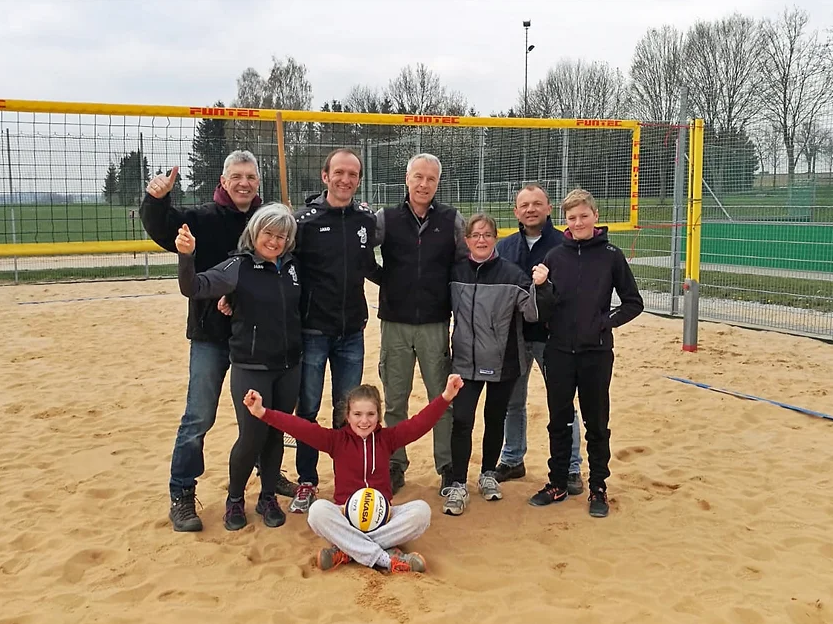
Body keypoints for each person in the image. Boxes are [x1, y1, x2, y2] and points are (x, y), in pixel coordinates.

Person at [141, 150, 295, 532]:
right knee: (199, 416)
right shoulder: (203, 218)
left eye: (251, 177)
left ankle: (267, 475)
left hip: (257, 341)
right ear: (223, 181)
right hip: (212, 335)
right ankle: (182, 492)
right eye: (236, 176)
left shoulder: (268, 221)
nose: (244, 183)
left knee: (265, 416)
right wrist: (156, 200)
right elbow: (165, 230)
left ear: (258, 182)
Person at [243, 374, 465, 573]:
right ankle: (385, 558)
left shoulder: (388, 439)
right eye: (357, 414)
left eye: (370, 414)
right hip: (345, 517)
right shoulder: (336, 440)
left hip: (383, 518)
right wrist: (262, 412)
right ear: (348, 416)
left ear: (378, 416)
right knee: (317, 511)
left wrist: (446, 396)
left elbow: (419, 423)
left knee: (421, 512)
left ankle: (348, 550)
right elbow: (299, 427)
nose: (364, 420)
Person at [175, 203, 301, 530]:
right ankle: (235, 499)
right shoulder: (238, 266)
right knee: (252, 436)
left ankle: (268, 496)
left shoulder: (294, 267)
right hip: (251, 366)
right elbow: (193, 287)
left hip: (289, 366)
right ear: (254, 233)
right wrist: (186, 257)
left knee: (275, 435)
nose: (274, 241)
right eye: (268, 233)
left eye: (281, 236)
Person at [530, 189, 644, 518]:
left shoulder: (611, 255)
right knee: (558, 420)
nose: (578, 222)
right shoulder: (555, 256)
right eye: (571, 218)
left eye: (583, 216)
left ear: (595, 215)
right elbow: (544, 309)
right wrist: (542, 287)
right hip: (559, 351)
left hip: (596, 352)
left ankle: (598, 487)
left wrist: (604, 322)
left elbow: (633, 302)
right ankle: (558, 482)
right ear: (564, 221)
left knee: (596, 422)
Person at [441, 214, 554, 516]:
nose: (481, 240)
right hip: (465, 361)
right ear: (466, 240)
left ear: (495, 238)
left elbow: (533, 313)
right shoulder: (455, 272)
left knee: (495, 418)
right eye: (476, 235)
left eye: (487, 235)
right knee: (462, 420)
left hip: (503, 360)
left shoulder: (512, 274)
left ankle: (488, 474)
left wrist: (541, 286)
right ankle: (457, 483)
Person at [289, 148, 378, 514]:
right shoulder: (304, 221)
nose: (345, 179)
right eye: (339, 172)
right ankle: (307, 480)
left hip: (352, 331)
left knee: (348, 412)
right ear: (325, 176)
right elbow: (283, 269)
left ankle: (349, 480)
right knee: (308, 408)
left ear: (358, 180)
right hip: (313, 330)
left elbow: (370, 267)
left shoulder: (365, 220)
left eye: (352, 174)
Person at [374, 153, 468, 496]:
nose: (424, 184)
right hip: (395, 323)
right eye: (418, 177)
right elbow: (360, 252)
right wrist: (386, 281)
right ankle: (395, 465)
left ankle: (447, 466)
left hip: (434, 323)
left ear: (438, 183)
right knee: (395, 400)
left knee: (440, 399)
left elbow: (463, 264)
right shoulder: (386, 218)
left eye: (431, 179)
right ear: (407, 178)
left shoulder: (451, 219)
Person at [494, 184, 584, 495]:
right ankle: (512, 459)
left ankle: (571, 467)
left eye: (537, 204)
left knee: (562, 403)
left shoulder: (564, 244)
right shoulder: (505, 247)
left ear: (549, 208)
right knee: (512, 402)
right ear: (516, 211)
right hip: (514, 337)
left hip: (552, 337)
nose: (530, 209)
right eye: (524, 205)